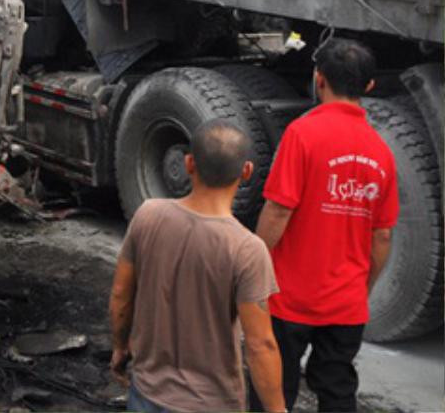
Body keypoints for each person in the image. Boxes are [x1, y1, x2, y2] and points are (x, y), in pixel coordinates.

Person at [253, 38, 397, 413]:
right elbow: (382, 236)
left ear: (319, 79)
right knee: (337, 391)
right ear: (368, 87)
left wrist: (251, 264)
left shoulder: (302, 135)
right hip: (346, 303)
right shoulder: (381, 151)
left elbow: (278, 212)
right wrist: (360, 288)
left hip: (289, 298)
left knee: (273, 388)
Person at [109, 120, 286, 413]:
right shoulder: (246, 249)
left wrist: (120, 347)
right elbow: (260, 345)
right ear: (246, 172)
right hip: (212, 403)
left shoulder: (148, 216)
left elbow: (120, 295)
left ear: (189, 163)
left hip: (147, 394)